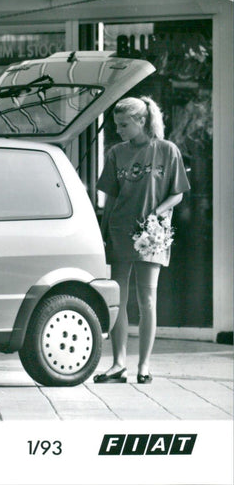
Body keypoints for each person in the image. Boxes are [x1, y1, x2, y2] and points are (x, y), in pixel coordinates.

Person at [93, 96, 190, 384]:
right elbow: (110, 197)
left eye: (123, 125)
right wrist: (103, 231)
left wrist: (157, 213)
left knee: (147, 299)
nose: (118, 130)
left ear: (141, 121)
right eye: (116, 125)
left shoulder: (167, 150)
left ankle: (144, 366)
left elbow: (178, 193)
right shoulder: (115, 153)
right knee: (118, 301)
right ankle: (118, 364)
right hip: (120, 230)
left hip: (151, 234)